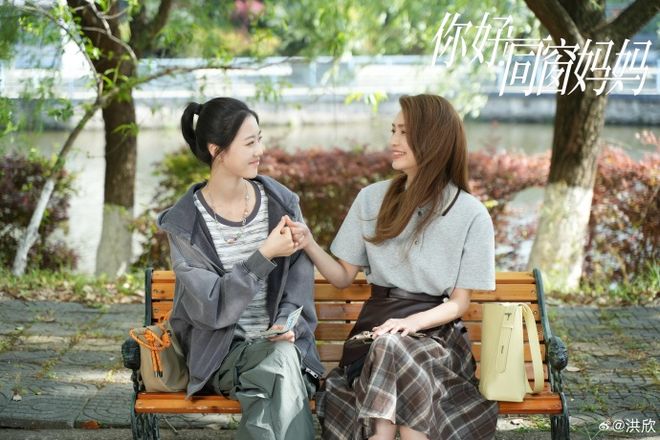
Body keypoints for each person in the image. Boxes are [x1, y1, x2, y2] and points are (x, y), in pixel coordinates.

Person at [285, 94, 499, 440]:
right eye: (393, 130)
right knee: (388, 346)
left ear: (433, 140)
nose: (393, 141)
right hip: (374, 331)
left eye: (404, 132)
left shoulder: (470, 213)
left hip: (437, 339)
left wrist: (410, 324)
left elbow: (459, 303)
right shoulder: (371, 198)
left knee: (393, 347)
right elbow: (342, 277)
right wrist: (308, 241)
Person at [157, 97, 322, 440]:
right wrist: (264, 255)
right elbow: (212, 307)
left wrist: (285, 323)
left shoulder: (281, 204)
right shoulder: (186, 224)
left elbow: (299, 284)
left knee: (276, 369)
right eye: (249, 143)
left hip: (286, 346)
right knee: (279, 367)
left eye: (259, 139)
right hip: (223, 357)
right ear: (216, 150)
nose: (260, 150)